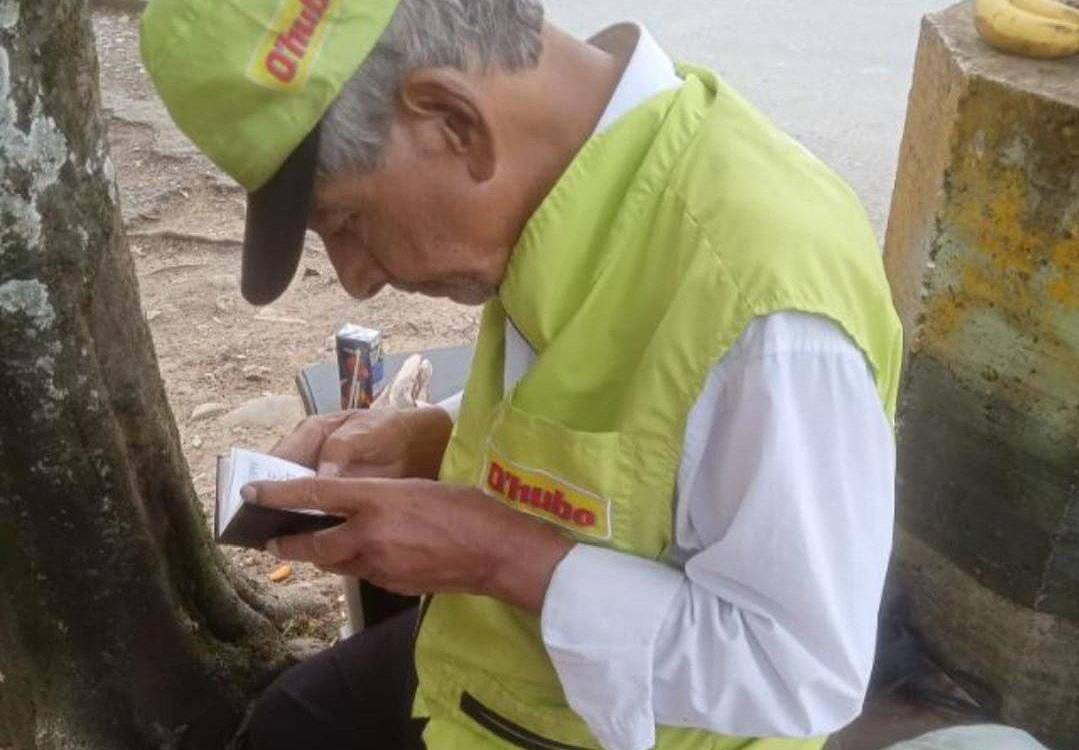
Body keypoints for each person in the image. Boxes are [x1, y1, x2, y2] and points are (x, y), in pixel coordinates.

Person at [140, 1, 903, 748]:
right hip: (482, 660)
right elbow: (643, 434)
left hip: (612, 723)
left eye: (346, 222)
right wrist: (434, 435)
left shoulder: (768, 314)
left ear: (452, 122)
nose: (356, 277)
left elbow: (799, 675)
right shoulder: (584, 174)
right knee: (289, 722)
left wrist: (499, 556)